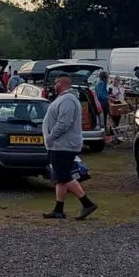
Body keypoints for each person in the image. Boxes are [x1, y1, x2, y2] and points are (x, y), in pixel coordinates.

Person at [43, 74, 96, 220]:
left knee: (64, 176)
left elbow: (64, 123)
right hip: (58, 145)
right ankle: (58, 209)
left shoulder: (68, 100)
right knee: (59, 178)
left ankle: (87, 203)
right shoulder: (64, 99)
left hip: (63, 145)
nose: (54, 86)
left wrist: (50, 137)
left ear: (61, 83)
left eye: (55, 83)